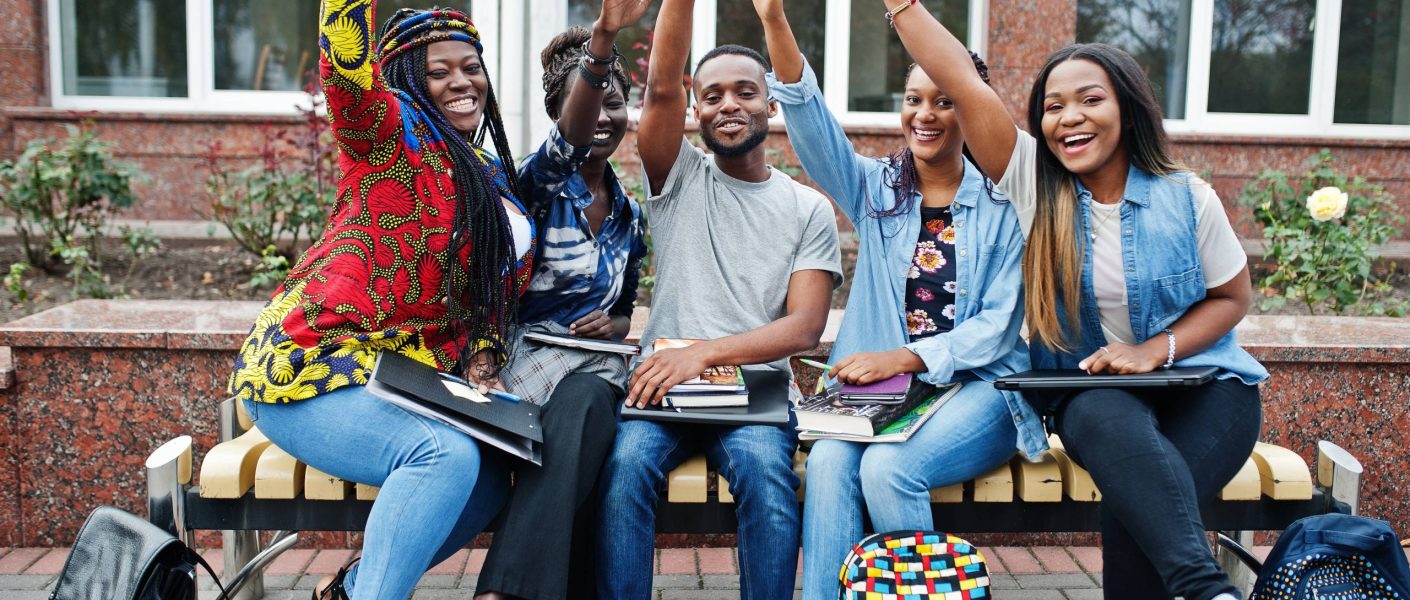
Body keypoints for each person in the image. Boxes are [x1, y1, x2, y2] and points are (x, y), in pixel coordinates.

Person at [881, 5, 1267, 600]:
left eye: (1090, 100)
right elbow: (958, 77)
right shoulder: (1033, 184)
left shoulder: (1187, 198)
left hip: (1208, 388)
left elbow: (1232, 298)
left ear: (1128, 111)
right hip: (1097, 397)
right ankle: (1207, 590)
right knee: (1109, 437)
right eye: (1053, 107)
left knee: (1138, 506)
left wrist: (1154, 350)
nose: (1070, 118)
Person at [227, 3, 533, 599]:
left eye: (471, 67)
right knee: (441, 455)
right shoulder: (389, 135)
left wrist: (485, 356)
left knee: (493, 474)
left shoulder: (491, 174)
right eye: (440, 71)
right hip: (309, 365)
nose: (462, 82)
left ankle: (353, 590)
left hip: (404, 379)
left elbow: (492, 296)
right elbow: (346, 75)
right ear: (408, 81)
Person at [748, 2, 1047, 597]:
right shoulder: (876, 189)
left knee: (889, 470)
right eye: (914, 98)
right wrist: (775, 21)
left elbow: (998, 325)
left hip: (982, 389)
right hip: (880, 398)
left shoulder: (1007, 202)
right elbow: (810, 121)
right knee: (831, 464)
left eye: (945, 99)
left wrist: (906, 358)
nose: (926, 114)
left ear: (974, 109)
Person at [594, 0, 843, 596]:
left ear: (771, 102)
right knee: (623, 472)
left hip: (753, 392)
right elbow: (658, 90)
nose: (729, 104)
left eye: (745, 92)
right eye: (712, 96)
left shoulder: (806, 207)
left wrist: (701, 353)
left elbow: (805, 327)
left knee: (766, 479)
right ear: (697, 112)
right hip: (663, 385)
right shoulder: (677, 176)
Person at [473, 2, 653, 599]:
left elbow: (627, 303)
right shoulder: (539, 185)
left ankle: (503, 593)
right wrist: (603, 38)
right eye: (591, 101)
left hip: (593, 369)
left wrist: (616, 321)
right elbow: (569, 143)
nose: (604, 116)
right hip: (526, 367)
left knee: (581, 407)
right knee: (574, 438)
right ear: (560, 114)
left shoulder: (630, 214)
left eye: (615, 102)